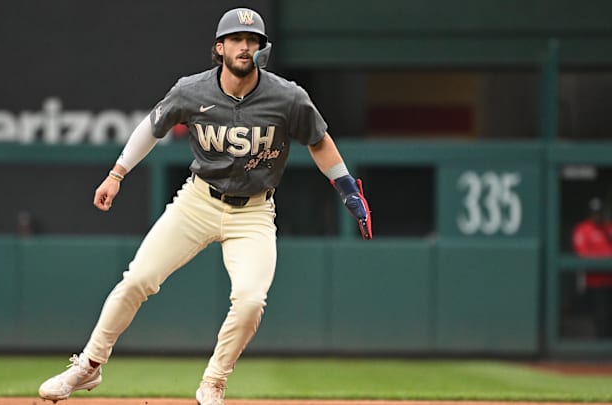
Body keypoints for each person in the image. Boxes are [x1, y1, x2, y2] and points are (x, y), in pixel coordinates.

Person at [38, 7, 372, 405]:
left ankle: (214, 381)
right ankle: (88, 365)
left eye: (254, 41)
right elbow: (152, 126)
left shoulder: (288, 97)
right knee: (137, 280)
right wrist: (117, 173)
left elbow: (318, 141)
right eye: (237, 40)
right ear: (220, 47)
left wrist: (347, 187)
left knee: (250, 301)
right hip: (199, 200)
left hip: (253, 211)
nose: (246, 47)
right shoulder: (191, 91)